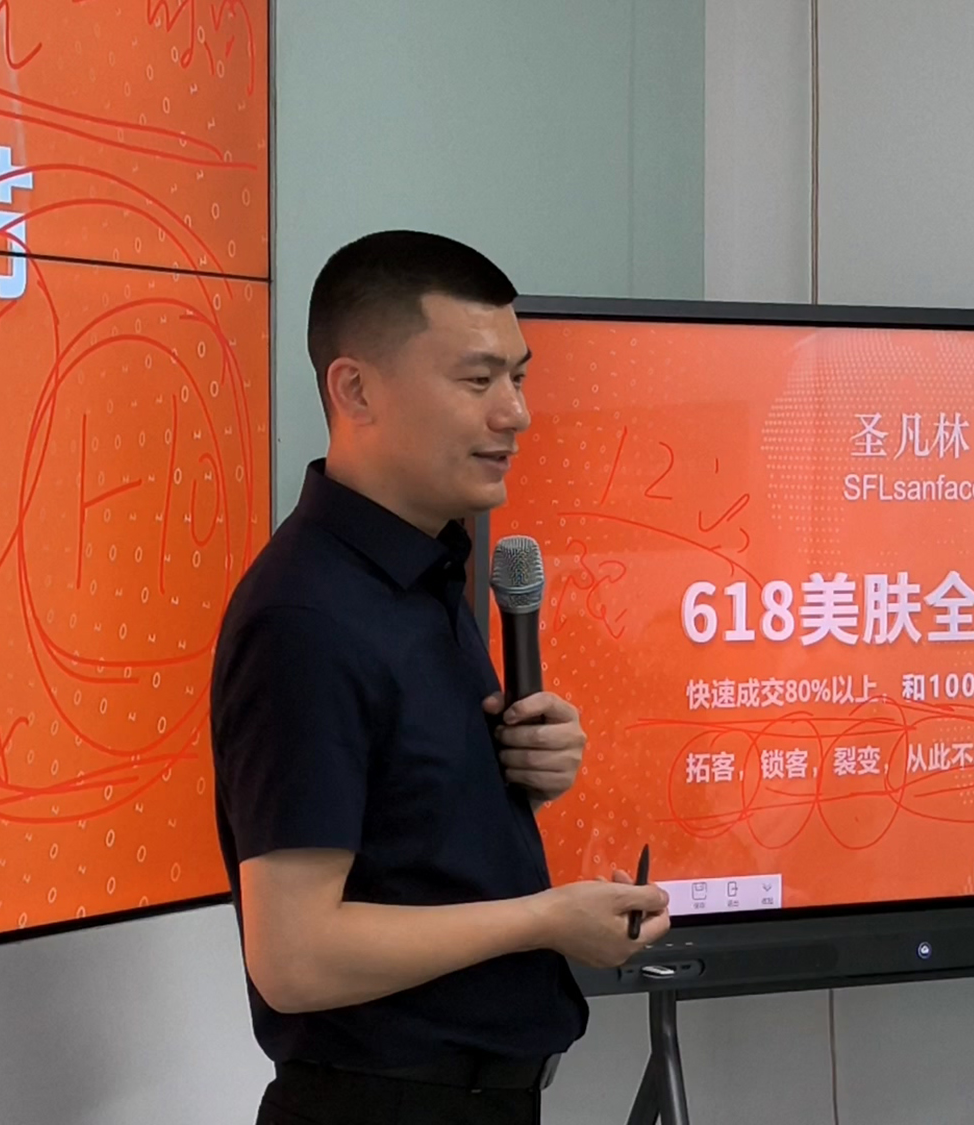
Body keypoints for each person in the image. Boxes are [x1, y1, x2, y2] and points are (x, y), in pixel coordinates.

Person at [209, 230, 672, 1125]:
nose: (515, 414)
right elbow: (296, 958)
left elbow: (407, 832)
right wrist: (546, 919)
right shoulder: (305, 614)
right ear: (355, 390)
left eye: (519, 377)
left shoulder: (428, 571)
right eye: (477, 380)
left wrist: (523, 765)